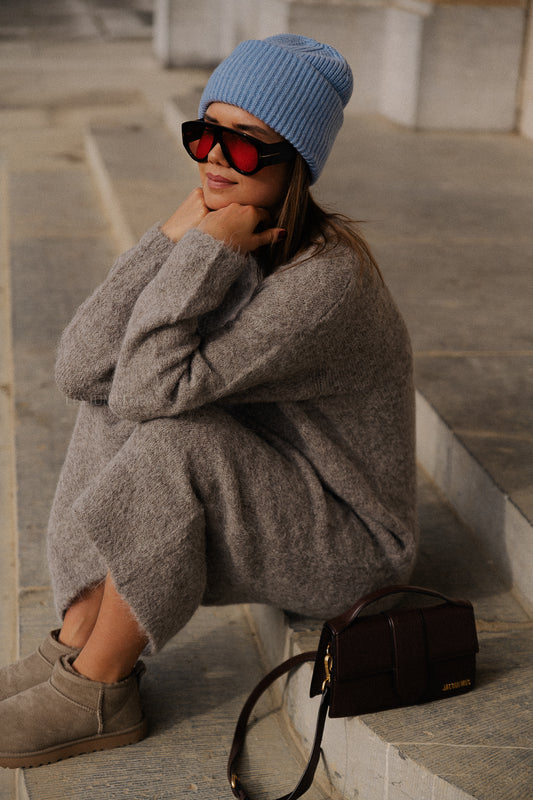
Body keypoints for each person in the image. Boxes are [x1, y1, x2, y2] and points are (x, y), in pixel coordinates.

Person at [0, 34, 417, 768]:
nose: (217, 158)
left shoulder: (323, 285)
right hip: (279, 486)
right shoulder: (237, 236)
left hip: (353, 550)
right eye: (205, 134)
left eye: (247, 145)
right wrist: (171, 233)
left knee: (170, 434)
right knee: (109, 402)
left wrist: (202, 250)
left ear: (297, 163)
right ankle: (76, 639)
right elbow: (83, 370)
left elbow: (148, 389)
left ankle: (102, 687)